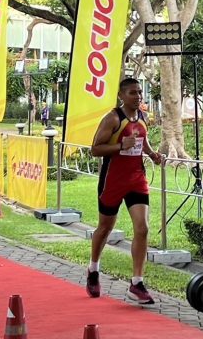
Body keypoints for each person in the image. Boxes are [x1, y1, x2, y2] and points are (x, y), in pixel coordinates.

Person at [86, 77, 164, 304]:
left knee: (142, 228)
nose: (138, 96)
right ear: (121, 95)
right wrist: (121, 146)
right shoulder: (112, 118)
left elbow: (142, 140)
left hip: (137, 179)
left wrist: (152, 154)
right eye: (132, 93)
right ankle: (93, 269)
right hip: (113, 181)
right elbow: (95, 149)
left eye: (139, 92)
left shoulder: (142, 116)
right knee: (105, 228)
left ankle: (137, 283)